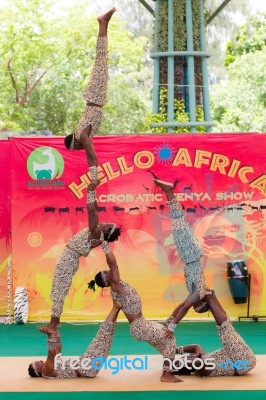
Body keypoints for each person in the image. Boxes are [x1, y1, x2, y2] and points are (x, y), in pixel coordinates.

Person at [88, 244, 209, 383]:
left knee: (169, 328)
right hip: (140, 327)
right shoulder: (116, 286)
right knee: (169, 338)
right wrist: (104, 244)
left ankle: (171, 361)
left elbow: (112, 266)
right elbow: (113, 263)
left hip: (142, 324)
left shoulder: (117, 286)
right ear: (107, 279)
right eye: (107, 271)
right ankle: (166, 374)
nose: (110, 270)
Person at [40, 181, 121, 333]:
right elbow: (95, 210)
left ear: (107, 231)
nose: (108, 221)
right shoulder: (98, 231)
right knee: (57, 288)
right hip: (68, 257)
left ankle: (54, 324)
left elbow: (91, 213)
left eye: (110, 224)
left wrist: (90, 191)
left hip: (69, 259)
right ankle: (54, 322)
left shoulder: (97, 234)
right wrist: (93, 190)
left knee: (59, 289)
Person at [64, 7, 116, 183]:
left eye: (77, 148)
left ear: (75, 143)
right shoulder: (82, 134)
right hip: (96, 97)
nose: (80, 149)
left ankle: (102, 22)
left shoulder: (82, 136)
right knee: (102, 57)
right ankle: (104, 24)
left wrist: (94, 177)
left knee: (101, 56)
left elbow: (91, 155)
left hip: (95, 95)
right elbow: (91, 153)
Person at [152, 177, 209, 313]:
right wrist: (171, 322)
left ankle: (169, 192)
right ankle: (169, 191)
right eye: (195, 307)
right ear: (199, 304)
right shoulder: (198, 293)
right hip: (190, 254)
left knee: (178, 221)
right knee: (177, 220)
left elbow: (204, 294)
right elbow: (184, 306)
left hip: (191, 254)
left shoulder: (201, 291)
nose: (192, 306)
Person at [172, 290, 256, 377]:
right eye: (187, 358)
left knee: (228, 327)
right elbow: (198, 363)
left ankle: (212, 297)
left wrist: (173, 350)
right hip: (242, 363)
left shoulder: (203, 357)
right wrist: (186, 361)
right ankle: (209, 298)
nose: (188, 356)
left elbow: (196, 347)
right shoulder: (202, 370)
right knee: (226, 330)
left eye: (187, 357)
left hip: (243, 355)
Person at [28, 300, 121, 379]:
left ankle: (117, 308)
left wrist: (53, 334)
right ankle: (116, 307)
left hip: (86, 364)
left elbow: (57, 351)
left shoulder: (54, 366)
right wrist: (50, 335)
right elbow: (51, 355)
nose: (40, 361)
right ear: (37, 370)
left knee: (105, 337)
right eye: (37, 363)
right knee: (103, 335)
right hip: (87, 368)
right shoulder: (46, 372)